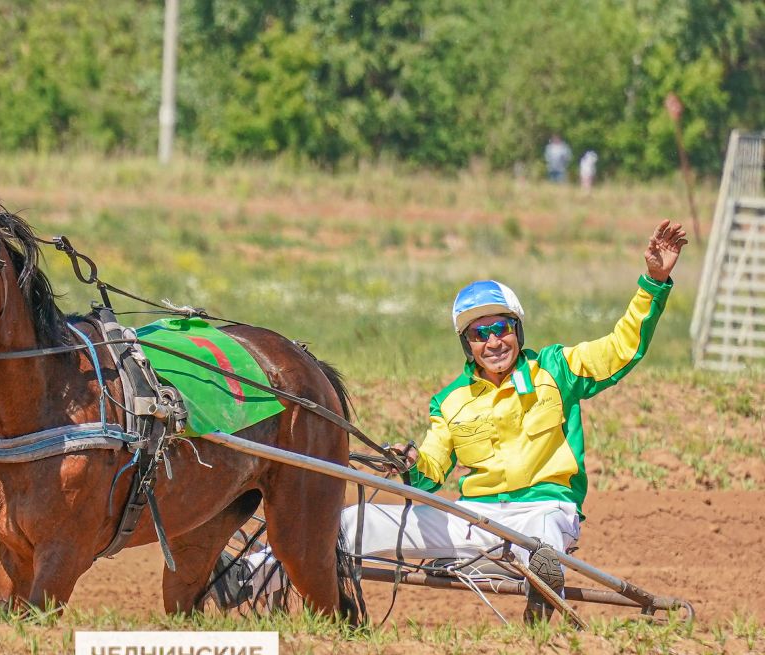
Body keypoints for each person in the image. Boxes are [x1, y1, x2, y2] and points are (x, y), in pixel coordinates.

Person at [221, 220, 688, 622]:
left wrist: (653, 283)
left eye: (501, 328)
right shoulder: (450, 401)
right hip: (474, 519)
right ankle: (246, 576)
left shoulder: (558, 369)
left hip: (546, 512)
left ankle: (543, 610)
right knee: (345, 523)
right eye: (479, 334)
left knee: (542, 545)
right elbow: (430, 471)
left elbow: (622, 347)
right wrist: (408, 463)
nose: (493, 341)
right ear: (468, 344)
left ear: (517, 330)